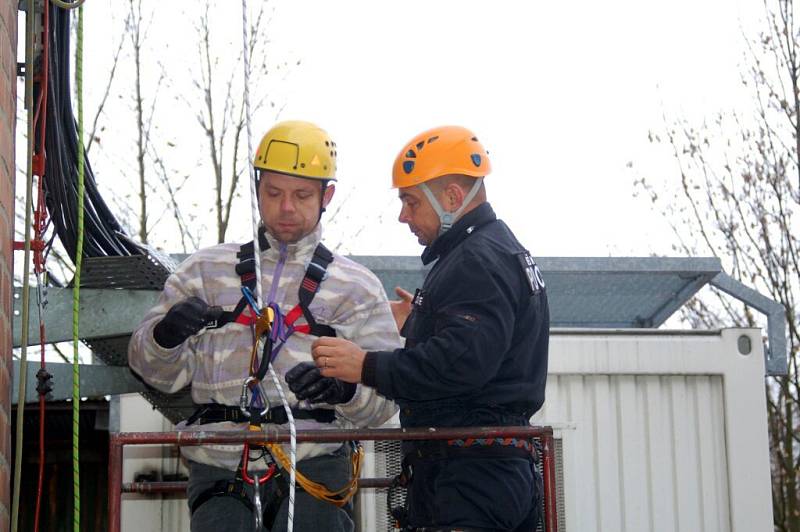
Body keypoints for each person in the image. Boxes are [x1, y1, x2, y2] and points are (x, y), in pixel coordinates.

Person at [128, 120, 401, 532]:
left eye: (302, 194)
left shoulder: (356, 289)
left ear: (327, 196)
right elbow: (155, 375)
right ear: (257, 190)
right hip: (220, 467)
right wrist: (165, 337)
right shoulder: (203, 272)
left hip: (316, 464)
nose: (286, 207)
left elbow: (385, 401)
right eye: (273, 193)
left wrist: (345, 391)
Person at [311, 125, 550, 531]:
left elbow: (460, 364)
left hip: (470, 476)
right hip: (494, 470)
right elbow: (485, 347)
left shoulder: (475, 261)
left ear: (453, 198)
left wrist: (365, 365)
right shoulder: (501, 249)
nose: (403, 215)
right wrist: (421, 322)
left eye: (410, 201)